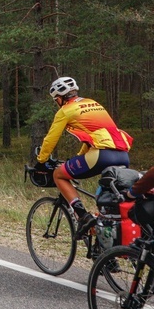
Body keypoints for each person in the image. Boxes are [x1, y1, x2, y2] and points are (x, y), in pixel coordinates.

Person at [34, 76, 133, 239]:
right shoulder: (93, 103)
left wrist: (41, 161)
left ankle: (83, 216)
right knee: (106, 206)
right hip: (123, 155)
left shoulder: (65, 111)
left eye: (55, 100)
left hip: (102, 155)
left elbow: (50, 139)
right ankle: (105, 254)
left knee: (58, 174)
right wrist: (78, 158)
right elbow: (93, 136)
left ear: (59, 98)